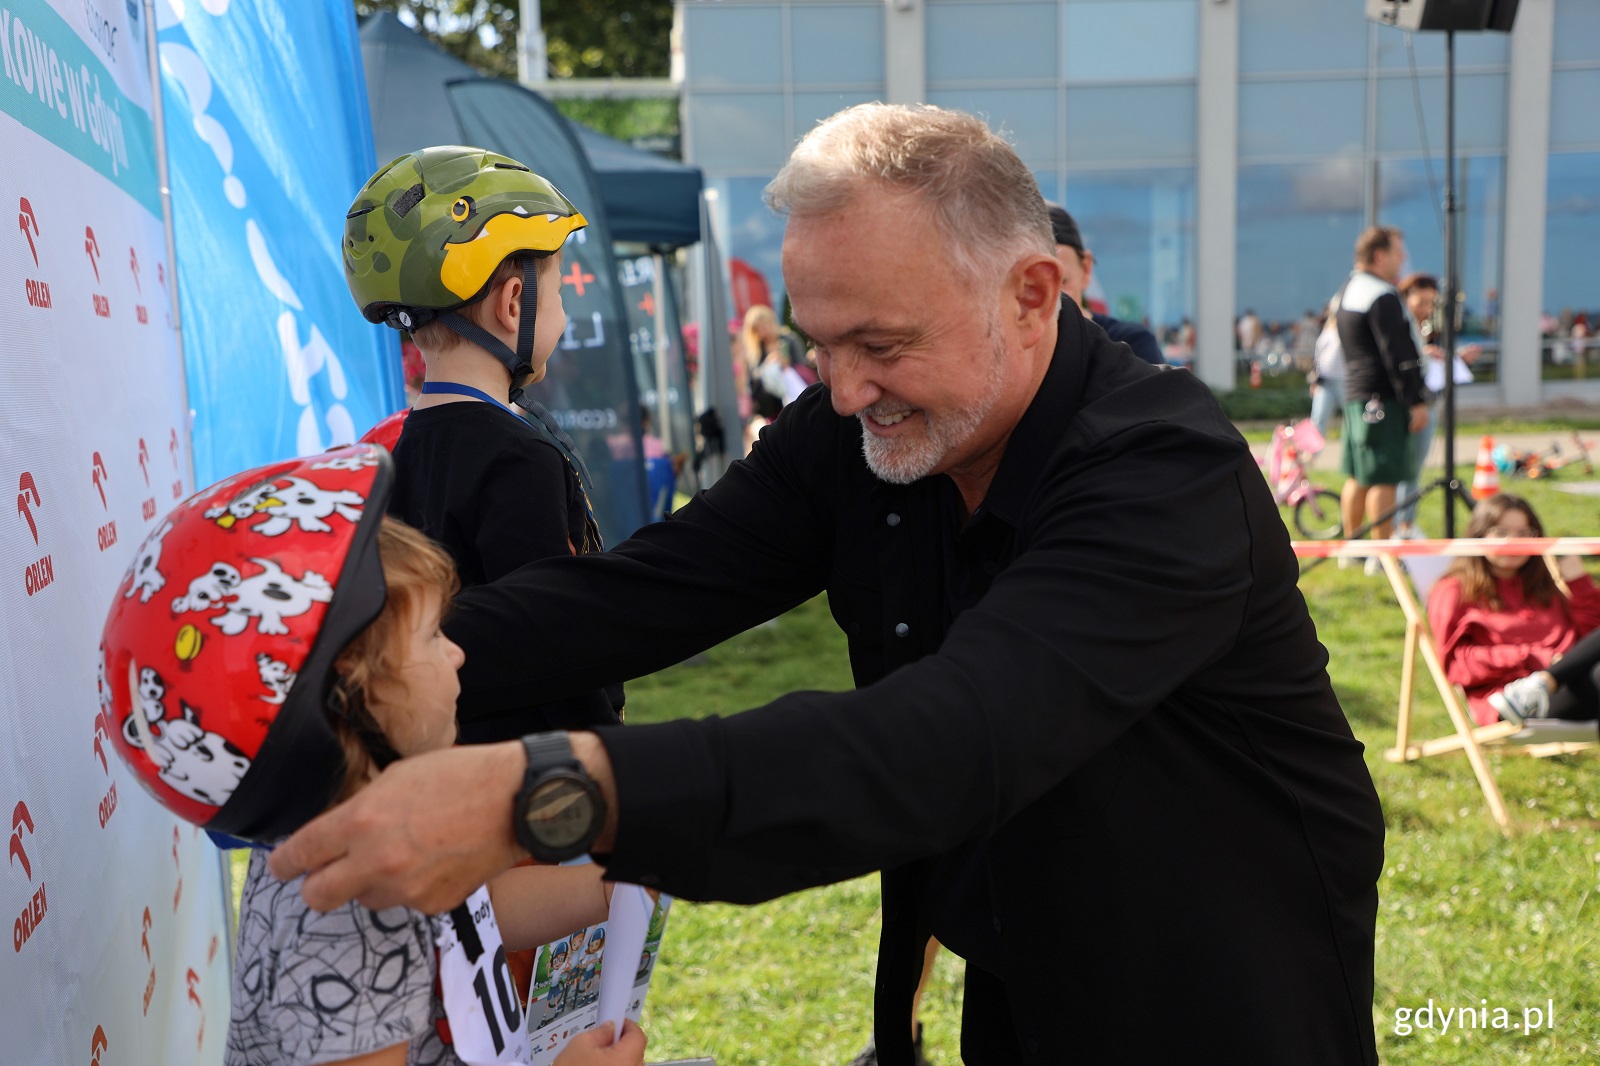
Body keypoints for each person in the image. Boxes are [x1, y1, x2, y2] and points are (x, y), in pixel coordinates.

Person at [271, 103, 1385, 1065]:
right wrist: (340, 667)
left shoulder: (1162, 471)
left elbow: (946, 740)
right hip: (1015, 957)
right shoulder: (862, 434)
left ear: (1034, 293)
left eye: (882, 345)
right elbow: (648, 589)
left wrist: (548, 789)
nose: (845, 393)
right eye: (817, 347)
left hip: (1218, 981)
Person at [98, 447, 646, 1066]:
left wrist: (606, 890)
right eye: (435, 635)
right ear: (355, 694)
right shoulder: (347, 912)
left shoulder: (372, 830)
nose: (458, 654)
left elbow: (474, 911)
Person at [343, 145, 622, 744]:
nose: (565, 312)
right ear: (514, 303)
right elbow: (551, 641)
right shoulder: (519, 459)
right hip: (528, 772)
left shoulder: (389, 451)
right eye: (560, 290)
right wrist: (609, 753)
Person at [1427, 493, 1600, 727]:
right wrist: (1531, 657)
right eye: (1501, 532)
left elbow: (1589, 641)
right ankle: (1543, 683)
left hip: (1574, 680)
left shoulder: (1541, 585)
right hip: (1512, 699)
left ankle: (1548, 679)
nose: (1513, 542)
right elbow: (1457, 664)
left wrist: (1579, 584)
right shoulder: (1454, 590)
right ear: (1479, 535)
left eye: (1523, 533)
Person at [1335, 225, 1430, 554]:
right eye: (1397, 252)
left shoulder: (1350, 288)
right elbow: (1398, 354)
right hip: (1382, 399)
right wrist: (1415, 400)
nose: (1403, 258)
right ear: (1379, 256)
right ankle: (1382, 555)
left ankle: (1352, 549)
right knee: (1383, 477)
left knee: (1359, 476)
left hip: (1357, 394)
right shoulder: (1380, 294)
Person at [1393, 273, 1478, 540]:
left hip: (1425, 403)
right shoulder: (1400, 326)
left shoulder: (1419, 329)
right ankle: (1400, 527)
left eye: (1431, 304)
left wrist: (1450, 358)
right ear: (1406, 299)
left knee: (1414, 471)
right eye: (1421, 303)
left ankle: (1406, 524)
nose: (1426, 310)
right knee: (1405, 472)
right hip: (1409, 406)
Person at [1045, 202, 1164, 365]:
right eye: (1030, 287)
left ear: (1086, 269)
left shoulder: (1133, 345)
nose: (1048, 299)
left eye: (1062, 282)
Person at [1309, 293, 1346, 440]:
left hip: (1345, 380)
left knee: (1352, 419)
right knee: (1318, 418)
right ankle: (1311, 456)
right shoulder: (1328, 328)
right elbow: (1318, 356)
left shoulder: (1349, 327)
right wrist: (1314, 380)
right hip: (1325, 380)